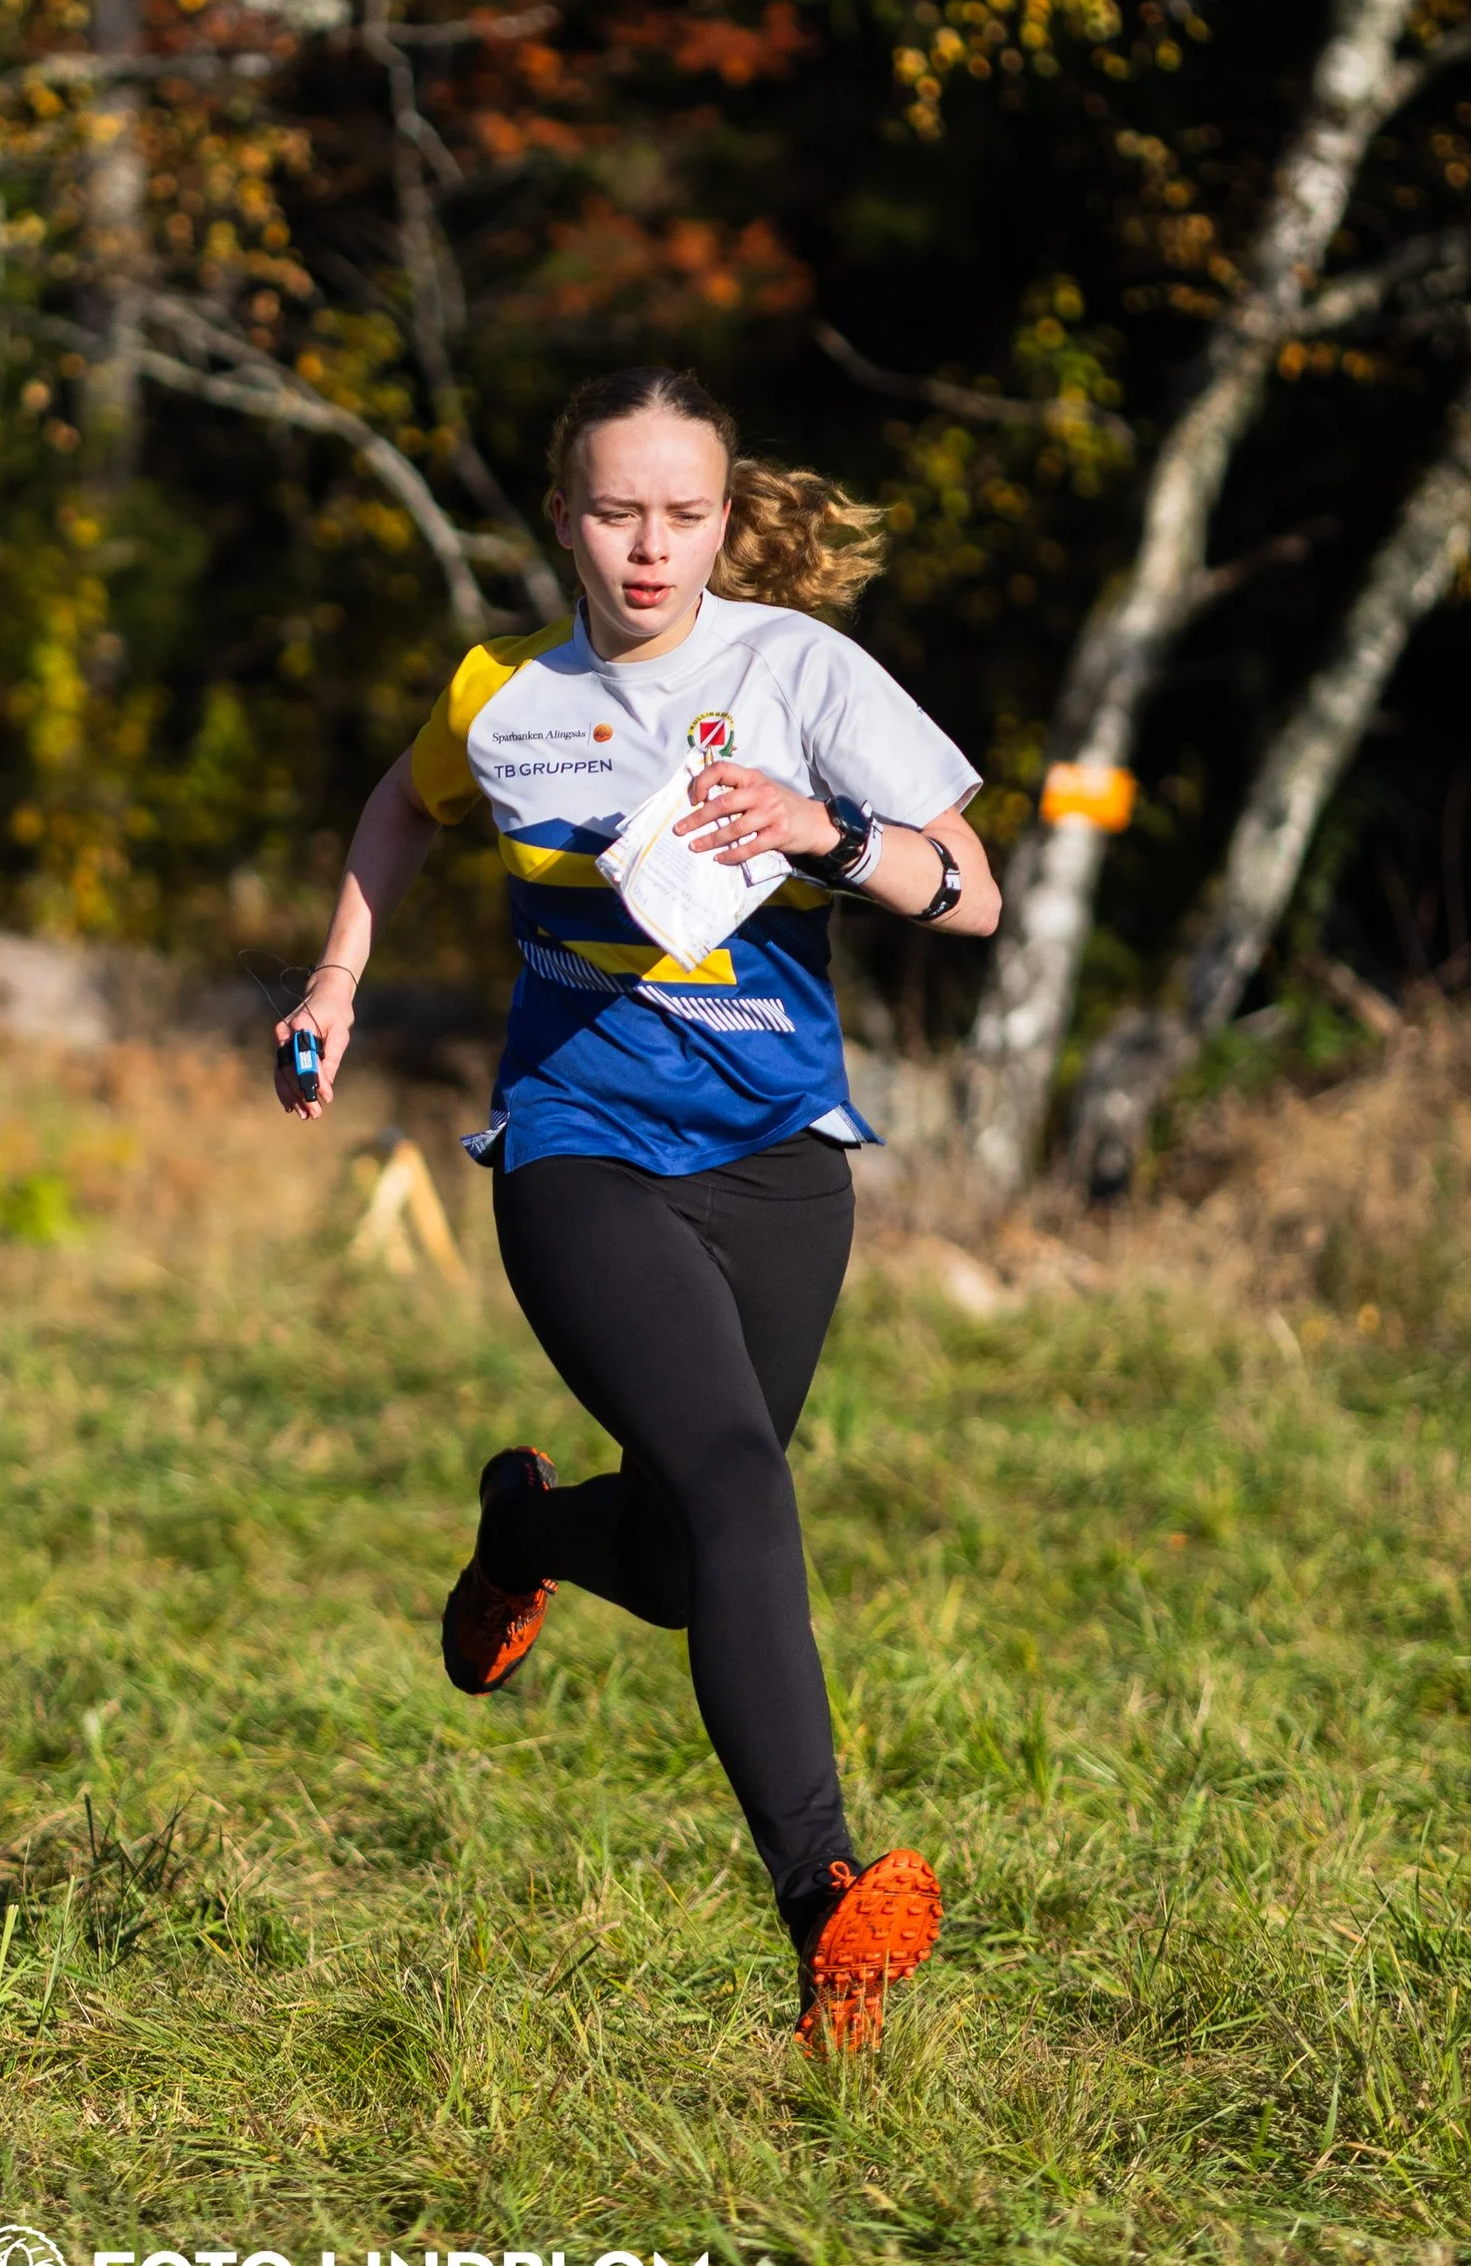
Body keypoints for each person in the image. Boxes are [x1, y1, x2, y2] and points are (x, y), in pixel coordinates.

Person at [274, 364, 1001, 2054]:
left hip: (779, 1162)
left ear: (728, 520)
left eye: (684, 515)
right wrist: (338, 975)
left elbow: (967, 892)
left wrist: (825, 834)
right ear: (562, 521)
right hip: (578, 1149)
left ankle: (529, 1528)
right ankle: (828, 1904)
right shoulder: (503, 694)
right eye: (616, 513)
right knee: (745, 1487)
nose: (650, 548)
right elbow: (405, 803)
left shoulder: (801, 670)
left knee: (688, 1560)